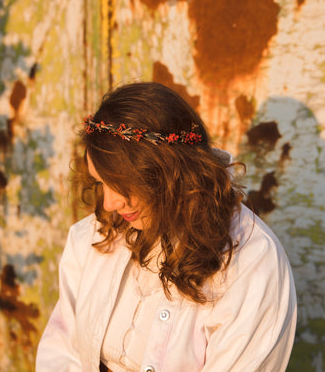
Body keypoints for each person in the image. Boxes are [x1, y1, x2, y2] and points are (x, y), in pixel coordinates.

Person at [36, 82, 297, 371]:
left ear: (171, 173)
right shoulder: (97, 234)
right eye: (101, 183)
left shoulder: (251, 263)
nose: (109, 204)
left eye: (123, 185)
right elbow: (61, 350)